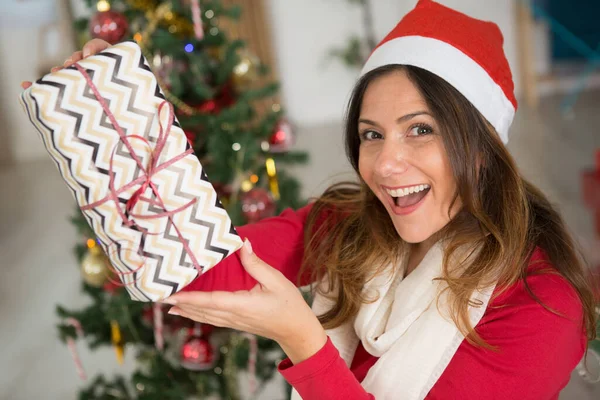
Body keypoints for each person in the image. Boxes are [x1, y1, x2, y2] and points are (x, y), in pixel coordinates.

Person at [23, 1, 598, 399]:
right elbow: (194, 270)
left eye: (420, 129)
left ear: (482, 148)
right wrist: (113, 119)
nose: (385, 164)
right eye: (371, 134)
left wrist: (305, 341)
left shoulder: (542, 306)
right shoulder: (348, 225)